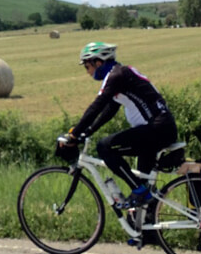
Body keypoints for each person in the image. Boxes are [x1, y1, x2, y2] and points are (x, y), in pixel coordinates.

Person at [60, 41, 177, 208]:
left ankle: (139, 190)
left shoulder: (116, 76)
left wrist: (74, 134)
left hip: (156, 130)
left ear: (98, 62)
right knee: (144, 192)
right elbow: (110, 109)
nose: (87, 72)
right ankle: (144, 232)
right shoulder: (121, 74)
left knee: (104, 147)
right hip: (158, 130)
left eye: (87, 67)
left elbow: (98, 105)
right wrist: (89, 130)